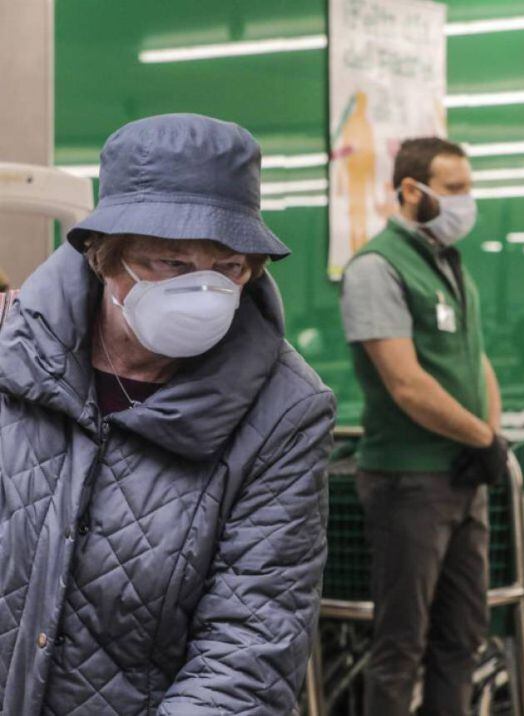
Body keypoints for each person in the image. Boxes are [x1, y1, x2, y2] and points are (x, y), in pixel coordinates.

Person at [0, 114, 337, 714]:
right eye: (171, 264)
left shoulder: (284, 413)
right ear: (105, 257)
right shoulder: (11, 356)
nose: (202, 290)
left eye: (228, 267)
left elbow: (247, 653)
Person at [339, 137, 505, 716]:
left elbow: (474, 357)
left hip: (461, 475)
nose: (466, 201)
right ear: (412, 191)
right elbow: (405, 383)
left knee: (462, 637)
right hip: (408, 482)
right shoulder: (375, 268)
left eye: (468, 187)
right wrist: (482, 439)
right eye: (454, 189)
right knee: (400, 645)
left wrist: (489, 432)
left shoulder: (450, 264)